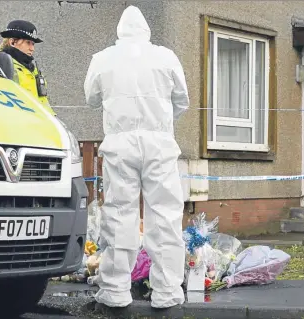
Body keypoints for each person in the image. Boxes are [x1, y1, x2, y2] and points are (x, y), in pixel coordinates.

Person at [83, 5, 190, 309]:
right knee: (165, 217)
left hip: (119, 143)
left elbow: (91, 99)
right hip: (159, 143)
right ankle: (167, 292)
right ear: (146, 30)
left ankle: (115, 292)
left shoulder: (102, 59)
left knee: (119, 216)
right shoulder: (165, 57)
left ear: (119, 31)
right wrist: (160, 121)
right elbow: (182, 100)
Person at [0, 20, 56, 116]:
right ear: (12, 42)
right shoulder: (2, 66)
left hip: (42, 123)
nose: (32, 48)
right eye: (28, 43)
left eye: (33, 44)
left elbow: (42, 101)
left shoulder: (33, 69)